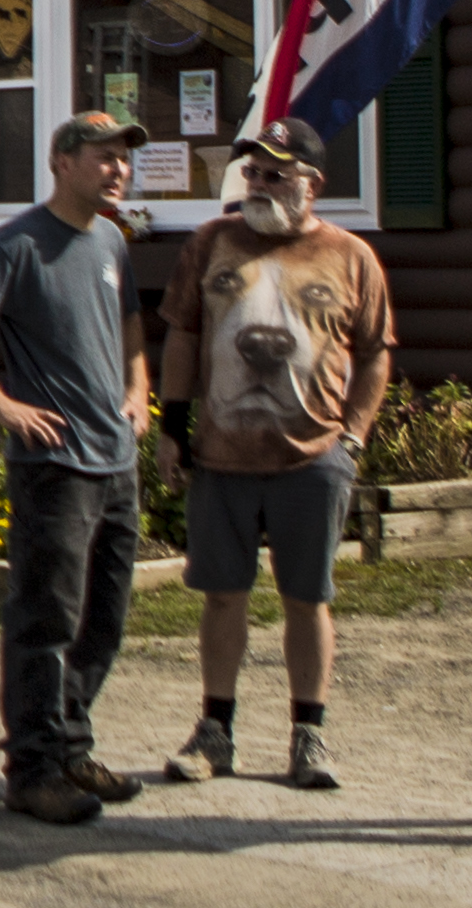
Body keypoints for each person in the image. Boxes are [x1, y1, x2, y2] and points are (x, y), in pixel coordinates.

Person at [0, 112, 156, 827]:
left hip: (114, 459)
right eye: (102, 156)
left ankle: (69, 748)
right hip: (54, 465)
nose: (116, 169)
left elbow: (127, 323)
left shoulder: (111, 239)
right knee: (45, 620)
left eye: (123, 159)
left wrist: (137, 391)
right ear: (60, 163)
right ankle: (30, 770)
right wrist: (0, 404)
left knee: (103, 621)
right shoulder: (20, 244)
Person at [156, 130, 397, 793]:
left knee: (306, 598)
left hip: (311, 458)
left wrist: (352, 434)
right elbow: (182, 333)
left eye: (274, 175)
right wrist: (171, 427)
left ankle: (307, 736)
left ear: (311, 184)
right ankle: (213, 731)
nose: (257, 185)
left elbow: (375, 350)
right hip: (221, 455)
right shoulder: (210, 242)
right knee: (221, 596)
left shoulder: (350, 256)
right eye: (252, 173)